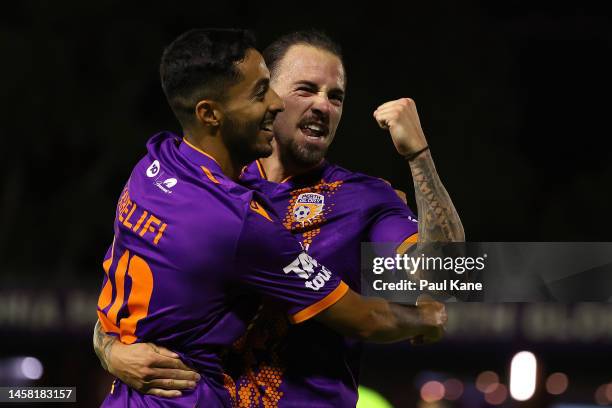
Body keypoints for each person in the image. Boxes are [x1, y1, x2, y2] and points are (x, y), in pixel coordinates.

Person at [94, 28, 447, 408]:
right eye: (305, 89)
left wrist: (419, 157)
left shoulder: (363, 198)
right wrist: (109, 350)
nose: (323, 105)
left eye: (336, 97)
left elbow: (453, 275)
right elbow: (130, 297)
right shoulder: (230, 205)